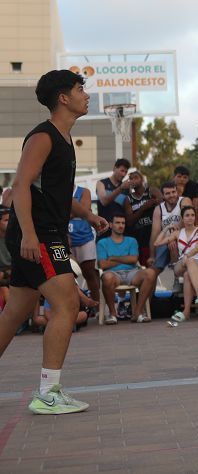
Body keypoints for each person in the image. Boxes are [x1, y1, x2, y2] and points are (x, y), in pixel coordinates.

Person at [0, 70, 109, 414]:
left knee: (14, 314)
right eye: (80, 89)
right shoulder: (43, 137)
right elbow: (20, 185)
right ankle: (48, 394)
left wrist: (87, 215)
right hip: (40, 235)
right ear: (63, 98)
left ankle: (49, 392)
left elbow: (54, 193)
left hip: (45, 233)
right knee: (67, 306)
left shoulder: (64, 138)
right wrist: (30, 235)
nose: (85, 95)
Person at [96, 212, 158, 324]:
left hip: (132, 272)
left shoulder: (132, 241)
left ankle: (138, 312)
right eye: (117, 223)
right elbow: (103, 265)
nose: (121, 225)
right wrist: (125, 259)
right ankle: (113, 314)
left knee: (151, 273)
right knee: (107, 277)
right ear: (111, 225)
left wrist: (113, 258)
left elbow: (134, 260)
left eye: (123, 223)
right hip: (113, 274)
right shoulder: (102, 243)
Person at [168, 205, 198, 322]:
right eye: (187, 215)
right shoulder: (178, 233)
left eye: (192, 215)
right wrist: (168, 236)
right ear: (182, 218)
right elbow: (158, 242)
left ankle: (186, 311)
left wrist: (187, 255)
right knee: (188, 266)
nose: (190, 218)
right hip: (183, 263)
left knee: (187, 275)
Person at [69, 185, 101, 307]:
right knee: (69, 275)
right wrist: (77, 211)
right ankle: (76, 306)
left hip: (84, 238)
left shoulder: (83, 191)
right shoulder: (58, 189)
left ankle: (97, 307)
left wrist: (68, 212)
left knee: (89, 273)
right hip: (65, 239)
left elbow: (85, 210)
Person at [147, 180, 189, 270]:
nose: (171, 195)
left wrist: (173, 237)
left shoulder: (184, 201)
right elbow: (154, 233)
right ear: (163, 195)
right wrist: (152, 256)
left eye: (173, 192)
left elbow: (185, 221)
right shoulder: (159, 209)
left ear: (177, 192)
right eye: (168, 193)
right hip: (165, 242)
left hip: (184, 238)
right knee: (156, 266)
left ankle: (177, 273)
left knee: (173, 245)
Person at [123, 170, 161, 266]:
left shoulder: (151, 191)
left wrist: (156, 202)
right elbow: (129, 222)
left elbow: (163, 204)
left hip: (155, 233)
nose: (133, 180)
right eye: (131, 179)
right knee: (145, 267)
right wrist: (143, 208)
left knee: (157, 266)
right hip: (140, 237)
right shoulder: (128, 199)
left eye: (136, 177)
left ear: (142, 179)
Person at [95, 158, 131, 234]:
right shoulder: (101, 183)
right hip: (104, 228)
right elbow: (104, 202)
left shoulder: (127, 188)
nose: (123, 174)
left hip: (120, 230)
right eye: (122, 170)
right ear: (114, 168)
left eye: (126, 172)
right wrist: (120, 188)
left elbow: (128, 210)